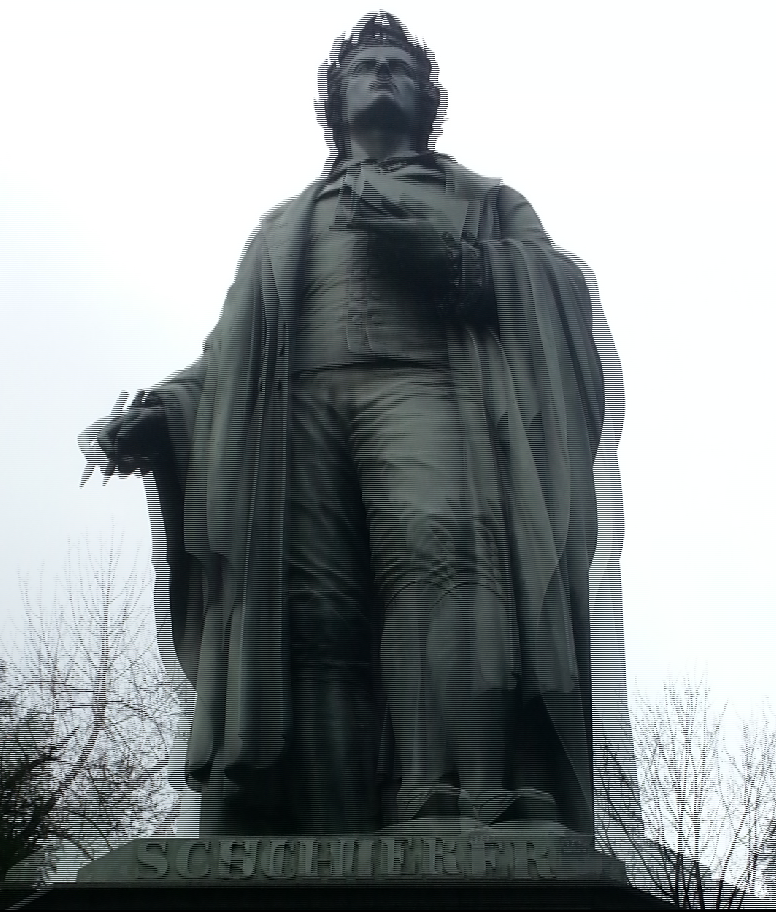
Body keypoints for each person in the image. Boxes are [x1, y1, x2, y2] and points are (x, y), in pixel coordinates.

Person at [96, 12, 605, 837]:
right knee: (309, 615)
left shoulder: (479, 197)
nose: (380, 73)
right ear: (333, 101)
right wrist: (164, 411)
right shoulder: (285, 226)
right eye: (364, 64)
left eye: (398, 65)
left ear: (427, 98)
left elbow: (557, 289)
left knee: (445, 553)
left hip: (426, 388)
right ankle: (321, 817)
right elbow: (226, 357)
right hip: (291, 421)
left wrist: (454, 263)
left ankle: (463, 792)